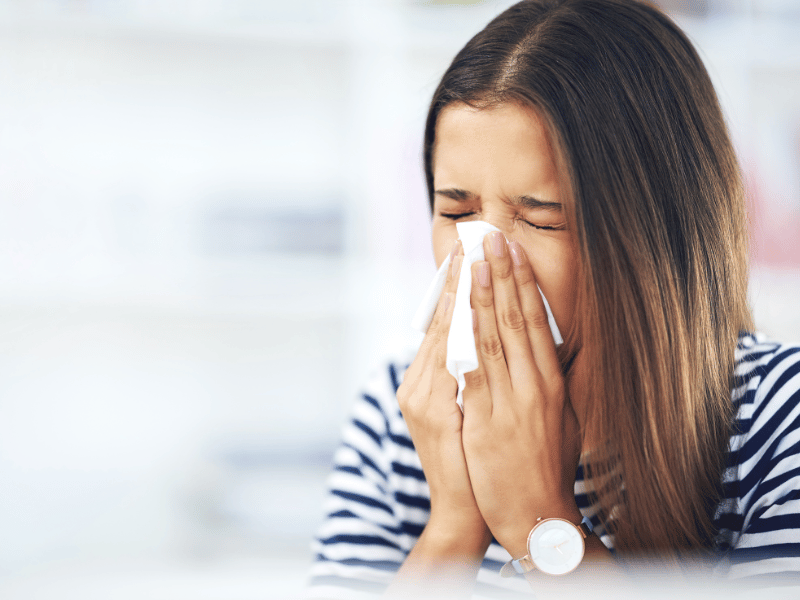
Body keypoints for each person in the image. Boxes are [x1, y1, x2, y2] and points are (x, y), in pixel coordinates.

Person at [308, 0, 800, 597]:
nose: (484, 257)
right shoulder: (399, 417)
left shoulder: (778, 421)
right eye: (457, 212)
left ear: (655, 229)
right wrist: (454, 527)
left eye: (542, 219)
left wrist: (538, 521)